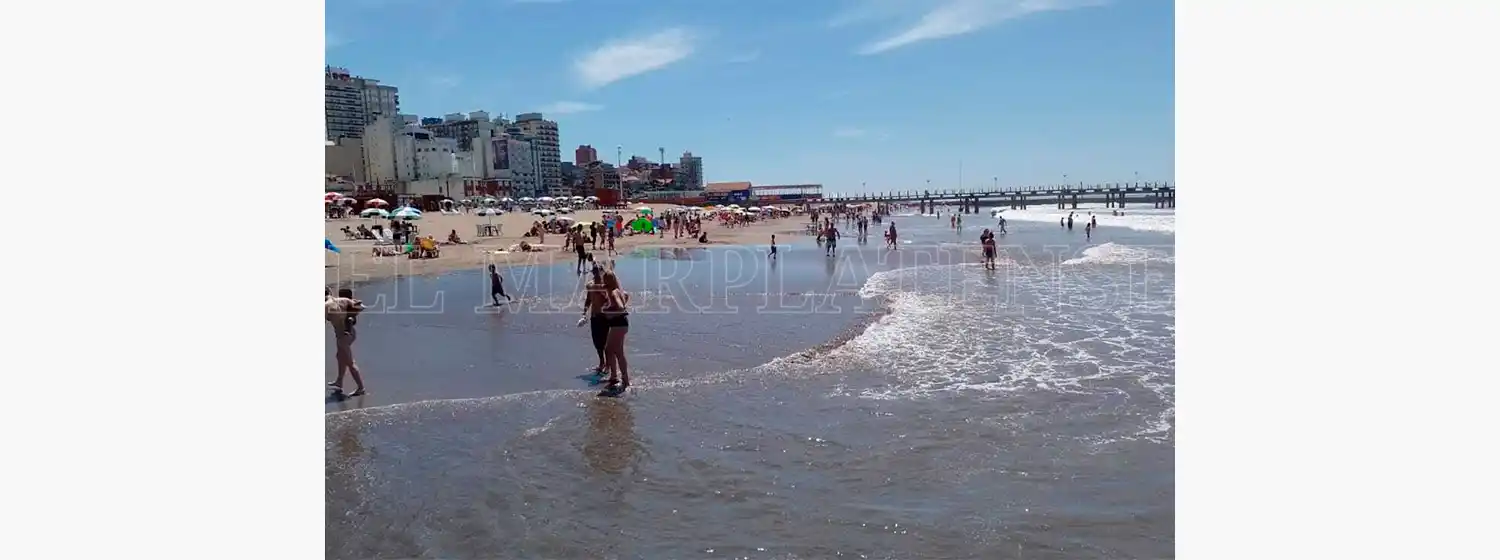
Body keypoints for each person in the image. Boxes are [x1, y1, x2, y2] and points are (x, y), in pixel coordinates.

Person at [326, 287, 367, 396]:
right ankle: (339, 382)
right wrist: (349, 316)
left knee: (349, 362)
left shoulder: (326, 306)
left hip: (343, 337)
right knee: (340, 356)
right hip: (350, 333)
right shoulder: (342, 300)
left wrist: (347, 318)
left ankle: (361, 388)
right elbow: (361, 306)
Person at [598, 271, 631, 397]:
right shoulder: (617, 290)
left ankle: (618, 378)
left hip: (619, 324)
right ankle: (622, 379)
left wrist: (607, 312)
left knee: (609, 350)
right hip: (620, 324)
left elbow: (621, 307)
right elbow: (626, 296)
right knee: (617, 352)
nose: (602, 282)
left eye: (604, 280)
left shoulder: (613, 292)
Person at [578, 265, 610, 378]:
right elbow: (588, 299)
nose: (596, 273)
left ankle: (608, 364)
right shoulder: (590, 285)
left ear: (602, 272)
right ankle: (602, 362)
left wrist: (601, 291)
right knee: (597, 342)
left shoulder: (605, 285)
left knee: (606, 342)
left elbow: (608, 299)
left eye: (598, 271)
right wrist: (584, 312)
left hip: (604, 317)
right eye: (594, 271)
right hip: (594, 316)